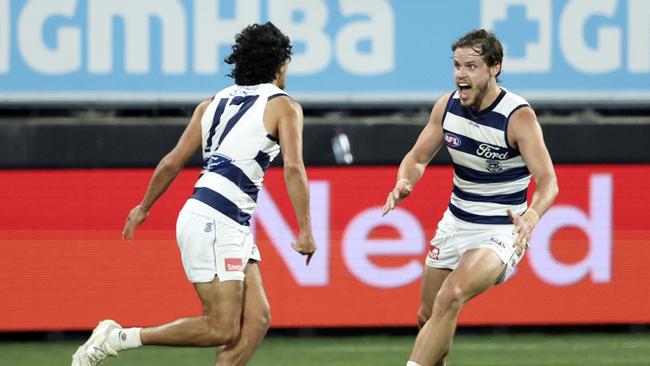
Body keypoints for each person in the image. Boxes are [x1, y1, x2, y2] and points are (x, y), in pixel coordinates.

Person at [72, 22, 317, 366]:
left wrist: (144, 206)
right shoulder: (284, 106)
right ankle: (117, 338)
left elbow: (173, 161)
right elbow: (293, 167)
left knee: (256, 321)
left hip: (219, 218)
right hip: (217, 221)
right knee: (220, 328)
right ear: (280, 65)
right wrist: (305, 230)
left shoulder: (212, 104)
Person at [382, 29, 559, 366]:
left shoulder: (517, 117)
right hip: (455, 222)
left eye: (471, 66)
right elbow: (417, 158)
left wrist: (532, 217)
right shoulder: (447, 107)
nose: (460, 74)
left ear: (494, 68)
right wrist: (405, 181)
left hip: (500, 230)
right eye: (457, 66)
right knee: (427, 316)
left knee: (451, 296)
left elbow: (549, 181)